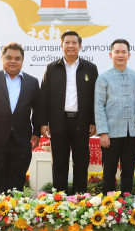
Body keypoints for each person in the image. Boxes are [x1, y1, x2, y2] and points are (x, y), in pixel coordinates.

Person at [0, 42, 41, 194]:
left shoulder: (32, 82)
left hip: (22, 140)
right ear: (2, 59)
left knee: (17, 180)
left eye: (17, 58)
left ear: (22, 61)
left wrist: (36, 132)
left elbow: (38, 110)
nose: (13, 61)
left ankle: (15, 214)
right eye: (9, 57)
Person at [39, 31, 98, 194]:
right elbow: (43, 96)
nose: (70, 45)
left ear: (80, 46)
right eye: (67, 42)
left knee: (81, 163)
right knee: (59, 163)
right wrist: (43, 122)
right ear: (61, 45)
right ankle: (60, 201)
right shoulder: (51, 68)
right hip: (58, 122)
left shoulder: (90, 68)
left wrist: (93, 120)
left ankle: (79, 199)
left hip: (82, 123)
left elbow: (95, 97)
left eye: (74, 43)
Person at [95, 39, 135, 194]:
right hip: (111, 133)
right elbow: (99, 106)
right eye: (117, 52)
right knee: (108, 172)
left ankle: (126, 204)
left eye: (123, 52)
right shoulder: (103, 78)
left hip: (132, 134)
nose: (120, 55)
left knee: (128, 171)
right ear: (110, 54)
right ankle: (108, 206)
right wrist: (103, 133)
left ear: (129, 54)